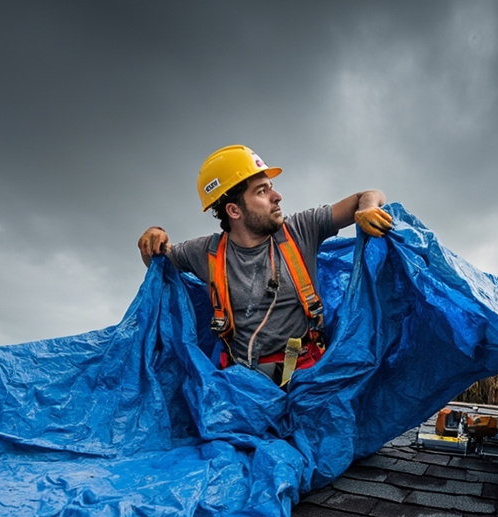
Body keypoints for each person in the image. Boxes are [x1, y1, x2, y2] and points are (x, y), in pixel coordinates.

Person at [138, 144, 391, 386]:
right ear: (234, 211)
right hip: (240, 387)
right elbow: (158, 265)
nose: (277, 196)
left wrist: (367, 208)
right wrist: (153, 237)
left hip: (306, 381)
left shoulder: (302, 229)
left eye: (271, 187)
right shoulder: (206, 253)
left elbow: (366, 195)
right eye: (262, 191)